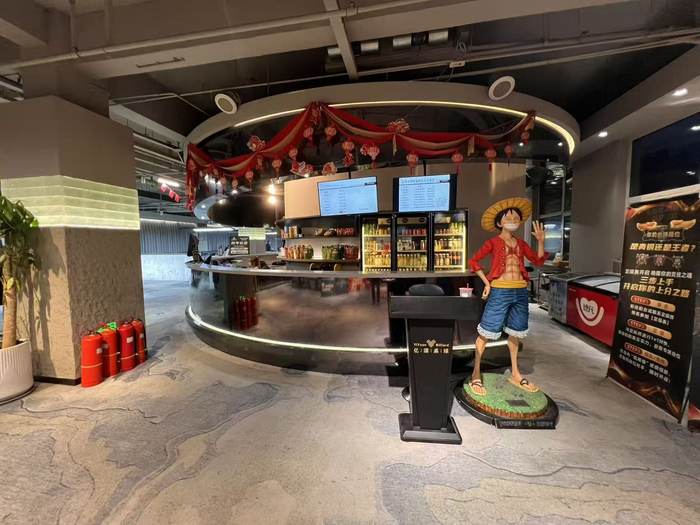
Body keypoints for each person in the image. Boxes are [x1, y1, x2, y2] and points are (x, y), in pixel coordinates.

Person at [467, 197, 548, 396]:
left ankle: (515, 373)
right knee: (486, 331)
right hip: (500, 291)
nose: (513, 220)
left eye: (516, 217)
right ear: (499, 222)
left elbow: (537, 261)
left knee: (516, 332)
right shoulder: (492, 242)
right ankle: (476, 373)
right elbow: (474, 261)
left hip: (520, 291)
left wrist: (540, 241)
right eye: (508, 217)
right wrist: (487, 283)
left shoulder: (521, 243)